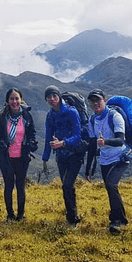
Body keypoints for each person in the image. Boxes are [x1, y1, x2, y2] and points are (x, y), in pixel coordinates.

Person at [84, 89, 132, 233]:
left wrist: (105, 142)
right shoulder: (92, 120)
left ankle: (118, 221)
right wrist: (89, 169)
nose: (95, 103)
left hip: (121, 157)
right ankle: (117, 217)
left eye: (98, 100)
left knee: (111, 185)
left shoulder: (115, 116)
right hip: (105, 159)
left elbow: (120, 140)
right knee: (110, 188)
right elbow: (93, 145)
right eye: (92, 101)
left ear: (104, 100)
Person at [41, 85, 85, 226]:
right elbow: (48, 136)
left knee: (66, 185)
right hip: (61, 156)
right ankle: (73, 215)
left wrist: (63, 143)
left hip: (74, 154)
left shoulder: (71, 112)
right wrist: (45, 158)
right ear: (46, 99)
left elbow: (78, 136)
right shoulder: (50, 115)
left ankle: (71, 219)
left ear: (59, 96)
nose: (52, 99)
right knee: (68, 186)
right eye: (49, 97)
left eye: (54, 95)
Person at [0, 88, 38, 222]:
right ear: (7, 101)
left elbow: (32, 133)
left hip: (22, 157)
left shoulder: (26, 115)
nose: (14, 101)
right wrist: (1, 145)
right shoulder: (2, 117)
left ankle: (20, 215)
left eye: (17, 98)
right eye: (11, 99)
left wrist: (31, 143)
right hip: (6, 157)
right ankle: (10, 215)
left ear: (21, 99)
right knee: (8, 185)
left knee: (20, 186)